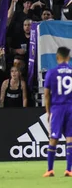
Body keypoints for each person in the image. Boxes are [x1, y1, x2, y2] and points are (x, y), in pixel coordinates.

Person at [42, 47, 72, 177]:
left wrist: (48, 112)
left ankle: (50, 170)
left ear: (57, 57)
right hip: (71, 107)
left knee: (53, 138)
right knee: (70, 138)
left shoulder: (51, 72)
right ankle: (69, 170)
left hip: (57, 108)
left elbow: (47, 94)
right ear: (68, 57)